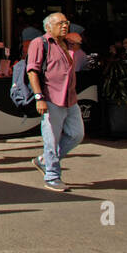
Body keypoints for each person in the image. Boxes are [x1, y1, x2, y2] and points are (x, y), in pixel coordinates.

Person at [27, 13, 81, 191]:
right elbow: (32, 71)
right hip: (51, 97)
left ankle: (44, 160)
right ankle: (52, 175)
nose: (65, 26)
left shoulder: (65, 43)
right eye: (60, 23)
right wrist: (39, 97)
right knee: (52, 138)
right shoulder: (40, 43)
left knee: (76, 134)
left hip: (69, 97)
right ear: (48, 26)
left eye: (66, 22)